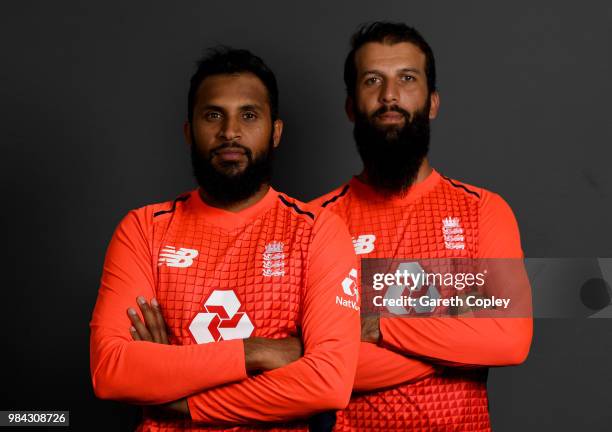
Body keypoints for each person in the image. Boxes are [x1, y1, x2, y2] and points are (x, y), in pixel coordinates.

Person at [90, 47, 361, 431]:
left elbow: (328, 383)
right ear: (189, 131)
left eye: (248, 115)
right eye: (213, 115)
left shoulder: (318, 230)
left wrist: (180, 391)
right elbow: (112, 371)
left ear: (276, 131)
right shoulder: (144, 229)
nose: (229, 131)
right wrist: (257, 352)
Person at [311, 22, 533, 431]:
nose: (389, 96)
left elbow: (510, 338)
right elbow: (316, 369)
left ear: (432, 102)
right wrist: (456, 333)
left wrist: (380, 326)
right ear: (350, 106)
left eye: (407, 79)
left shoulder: (483, 210)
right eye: (372, 80)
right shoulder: (314, 222)